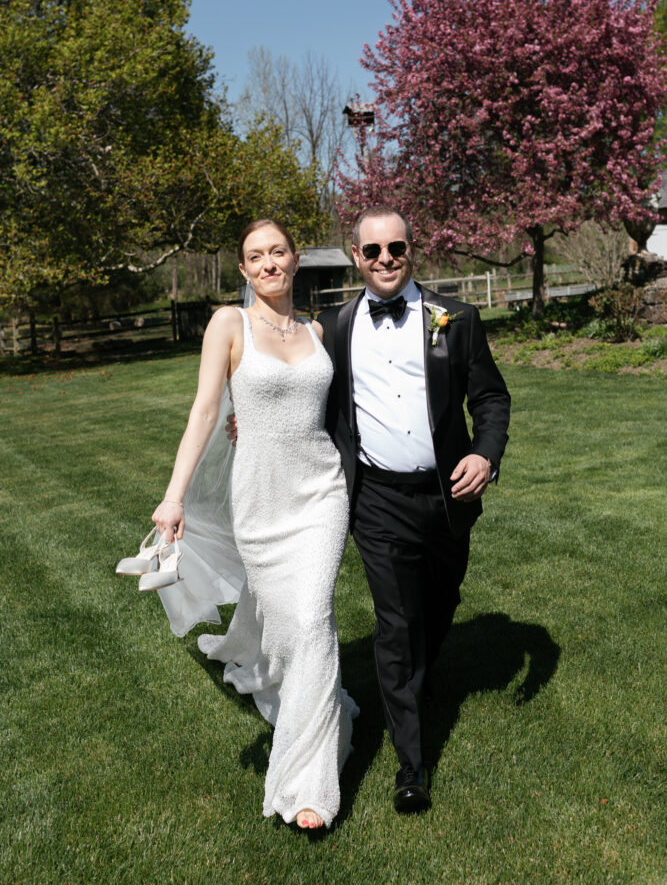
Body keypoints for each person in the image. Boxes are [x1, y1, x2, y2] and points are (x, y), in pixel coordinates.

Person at [143, 218, 357, 831]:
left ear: (296, 260)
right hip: (261, 504)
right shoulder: (227, 324)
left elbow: (337, 411)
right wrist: (174, 496)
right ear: (243, 269)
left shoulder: (318, 330)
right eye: (255, 256)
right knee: (294, 631)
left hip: (321, 492)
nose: (268, 263)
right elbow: (207, 408)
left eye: (278, 252)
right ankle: (327, 711)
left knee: (313, 618)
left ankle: (308, 786)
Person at [316, 205, 511, 815]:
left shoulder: (456, 320)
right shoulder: (335, 328)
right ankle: (411, 766)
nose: (385, 260)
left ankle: (418, 679)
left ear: (411, 250)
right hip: (377, 500)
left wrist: (485, 455)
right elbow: (298, 388)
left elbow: (492, 398)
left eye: (396, 248)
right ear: (356, 257)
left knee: (440, 600)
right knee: (396, 625)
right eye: (372, 251)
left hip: (450, 495)